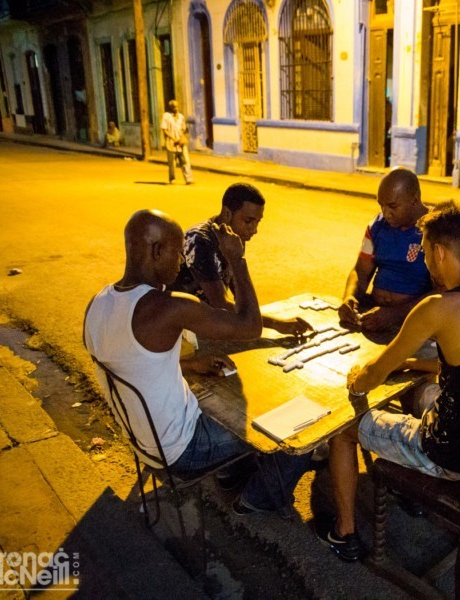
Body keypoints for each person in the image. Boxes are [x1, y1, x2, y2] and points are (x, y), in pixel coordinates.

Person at [315, 202, 460, 562]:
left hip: (452, 454)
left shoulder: (438, 307)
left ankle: (344, 532)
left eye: (427, 254)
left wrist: (357, 380)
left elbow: (373, 375)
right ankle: (409, 494)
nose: (427, 265)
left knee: (341, 431)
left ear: (440, 252)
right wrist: (415, 364)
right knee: (421, 390)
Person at [84, 209, 309, 516]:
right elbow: (250, 326)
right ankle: (259, 498)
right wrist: (236, 259)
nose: (181, 264)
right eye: (178, 254)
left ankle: (230, 473)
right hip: (185, 450)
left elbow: (128, 363)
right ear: (157, 250)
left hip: (142, 442)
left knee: (229, 390)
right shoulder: (168, 306)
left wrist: (188, 366)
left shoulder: (98, 303)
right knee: (302, 420)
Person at [172, 183, 311, 337]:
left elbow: (240, 294)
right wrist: (275, 323)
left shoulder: (233, 237)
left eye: (258, 222)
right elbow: (220, 305)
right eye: (248, 221)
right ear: (227, 214)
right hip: (182, 327)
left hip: (206, 321)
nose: (254, 229)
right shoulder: (199, 240)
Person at [338, 167, 432, 334]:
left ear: (414, 199)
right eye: (381, 205)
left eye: (392, 206)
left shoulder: (436, 230)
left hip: (417, 324)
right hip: (376, 315)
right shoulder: (377, 226)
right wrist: (350, 296)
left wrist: (397, 314)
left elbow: (444, 292)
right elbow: (361, 271)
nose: (386, 213)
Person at [161, 99, 193, 185]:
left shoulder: (181, 117)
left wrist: (181, 138)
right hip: (171, 142)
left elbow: (183, 129)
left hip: (180, 142)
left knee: (185, 160)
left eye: (177, 106)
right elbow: (164, 130)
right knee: (172, 162)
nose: (176, 108)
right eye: (174, 106)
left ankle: (188, 178)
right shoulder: (166, 116)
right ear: (170, 107)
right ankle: (172, 179)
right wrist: (172, 138)